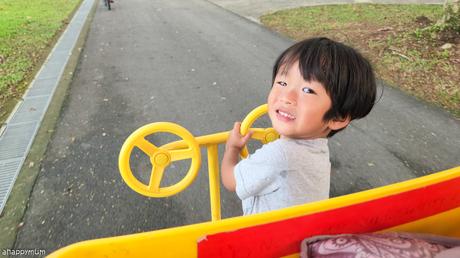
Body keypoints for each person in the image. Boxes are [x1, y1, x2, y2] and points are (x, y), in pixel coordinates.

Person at [221, 37, 377, 215]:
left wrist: (232, 148)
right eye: (282, 83)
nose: (287, 96)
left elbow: (229, 180)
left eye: (308, 90)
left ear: (338, 117)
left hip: (266, 240)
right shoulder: (317, 149)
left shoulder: (280, 155)